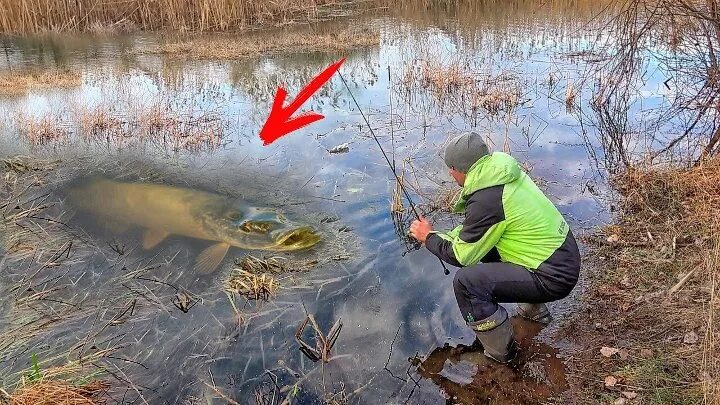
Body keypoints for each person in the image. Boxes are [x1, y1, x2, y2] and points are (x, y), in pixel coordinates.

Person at [409, 131, 581, 364]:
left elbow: (462, 256)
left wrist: (428, 238)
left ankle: (500, 354)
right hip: (563, 258)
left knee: (466, 283)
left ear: (463, 169)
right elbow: (474, 233)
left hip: (553, 276)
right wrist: (435, 234)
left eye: (451, 168)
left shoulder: (487, 198)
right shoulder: (500, 175)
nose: (449, 173)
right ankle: (534, 315)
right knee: (489, 249)